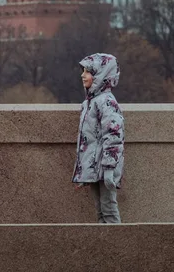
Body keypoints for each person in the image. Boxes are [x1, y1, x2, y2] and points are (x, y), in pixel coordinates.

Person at [72, 53, 124, 224]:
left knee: (108, 210)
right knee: (100, 211)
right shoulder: (89, 102)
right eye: (83, 71)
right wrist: (83, 172)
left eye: (88, 71)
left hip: (104, 167)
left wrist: (109, 169)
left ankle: (117, 247)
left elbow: (114, 136)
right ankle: (105, 248)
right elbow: (87, 140)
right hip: (95, 168)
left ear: (101, 75)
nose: (83, 75)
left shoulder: (106, 102)